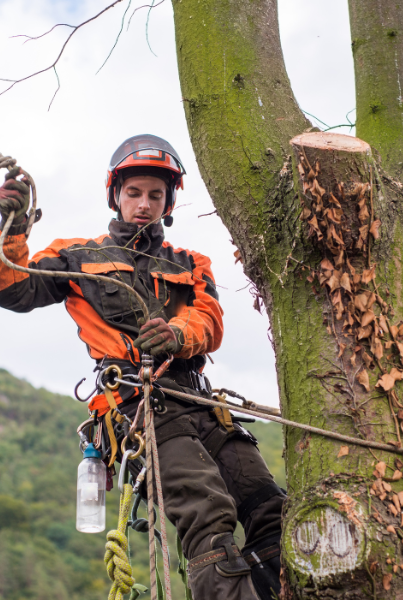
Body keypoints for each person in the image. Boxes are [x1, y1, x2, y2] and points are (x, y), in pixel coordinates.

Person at [0, 134, 285, 600]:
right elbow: (13, 288)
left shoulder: (190, 262)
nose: (144, 204)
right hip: (138, 407)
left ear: (169, 201)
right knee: (207, 514)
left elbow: (209, 319)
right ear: (115, 194)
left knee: (269, 507)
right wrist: (11, 228)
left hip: (199, 402)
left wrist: (179, 334)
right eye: (134, 193)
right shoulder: (76, 256)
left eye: (155, 194)